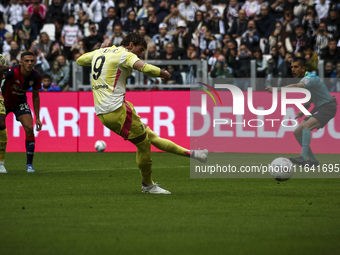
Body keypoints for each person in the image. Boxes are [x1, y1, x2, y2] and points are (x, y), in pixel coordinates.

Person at [76, 32, 208, 194]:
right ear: (131, 44)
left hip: (104, 112)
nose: (139, 55)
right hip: (117, 110)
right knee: (144, 144)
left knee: (151, 137)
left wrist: (100, 48)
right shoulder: (124, 54)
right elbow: (144, 67)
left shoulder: (101, 52)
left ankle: (193, 154)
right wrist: (162, 73)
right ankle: (148, 185)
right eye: (139, 50)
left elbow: (80, 60)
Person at [266, 57, 337, 166]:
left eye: (296, 67)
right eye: (292, 67)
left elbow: (297, 86)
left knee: (306, 127)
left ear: (303, 68)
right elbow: (311, 96)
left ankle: (303, 158)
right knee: (297, 132)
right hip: (319, 107)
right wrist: (304, 109)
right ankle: (313, 161)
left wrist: (277, 89)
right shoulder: (307, 79)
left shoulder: (309, 78)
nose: (293, 69)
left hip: (327, 107)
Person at [0, 51, 43, 173]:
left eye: (32, 61)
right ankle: (1, 162)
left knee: (30, 128)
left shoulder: (36, 76)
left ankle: (29, 165)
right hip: (5, 102)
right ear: (21, 62)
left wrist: (38, 117)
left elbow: (35, 96)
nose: (30, 63)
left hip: (20, 103)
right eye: (27, 61)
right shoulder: (12, 72)